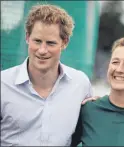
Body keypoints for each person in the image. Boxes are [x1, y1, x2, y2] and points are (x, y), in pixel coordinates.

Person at [1, 4, 93, 146]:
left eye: (50, 43)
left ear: (64, 43)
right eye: (37, 41)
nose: (42, 50)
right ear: (27, 37)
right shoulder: (3, 84)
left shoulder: (80, 84)